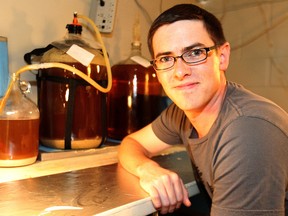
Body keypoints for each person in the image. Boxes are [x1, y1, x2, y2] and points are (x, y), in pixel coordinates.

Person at [118, 3, 288, 216]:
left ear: (222, 57)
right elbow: (131, 143)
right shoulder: (180, 114)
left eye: (195, 52)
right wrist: (148, 170)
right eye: (166, 58)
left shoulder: (249, 130)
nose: (180, 72)